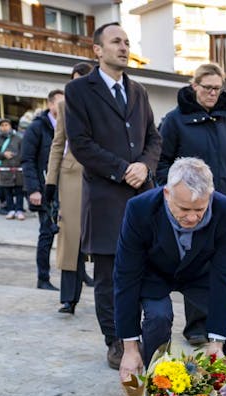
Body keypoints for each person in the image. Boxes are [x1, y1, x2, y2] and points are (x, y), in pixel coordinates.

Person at [66, 22, 162, 369]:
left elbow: (154, 138)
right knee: (109, 277)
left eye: (126, 41)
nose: (123, 47)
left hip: (143, 198)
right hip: (106, 198)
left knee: (145, 270)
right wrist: (124, 169)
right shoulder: (79, 92)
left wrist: (145, 167)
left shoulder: (139, 91)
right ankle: (117, 341)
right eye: (116, 41)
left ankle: (147, 338)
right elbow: (81, 145)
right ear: (97, 50)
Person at [115, 157, 226, 380]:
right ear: (167, 194)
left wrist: (217, 342)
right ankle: (155, 380)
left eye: (200, 209)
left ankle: (216, 377)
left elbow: (224, 275)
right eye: (184, 208)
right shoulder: (140, 209)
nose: (192, 217)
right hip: (155, 272)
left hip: (199, 273)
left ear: (211, 196)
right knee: (158, 317)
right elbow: (125, 276)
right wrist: (129, 348)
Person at [156, 62, 226, 346]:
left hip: (223, 205)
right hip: (188, 208)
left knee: (219, 264)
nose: (212, 93)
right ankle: (195, 326)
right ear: (194, 86)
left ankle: (212, 322)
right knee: (193, 262)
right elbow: (162, 162)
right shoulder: (175, 120)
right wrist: (171, 196)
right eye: (207, 88)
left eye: (218, 89)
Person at [46, 62, 94, 314]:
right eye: (73, 79)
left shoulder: (105, 103)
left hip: (101, 172)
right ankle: (68, 298)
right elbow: (58, 143)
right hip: (71, 174)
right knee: (70, 235)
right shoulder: (65, 107)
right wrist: (50, 182)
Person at [22, 88, 65, 291]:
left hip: (67, 190)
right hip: (45, 190)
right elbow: (28, 160)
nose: (64, 107)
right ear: (50, 104)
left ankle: (79, 276)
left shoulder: (70, 126)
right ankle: (43, 278)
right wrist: (34, 190)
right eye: (59, 103)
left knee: (72, 234)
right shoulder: (38, 128)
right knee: (47, 233)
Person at [0, 118, 24, 219]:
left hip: (18, 169)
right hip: (5, 169)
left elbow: (24, 152)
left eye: (6, 125)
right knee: (7, 191)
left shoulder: (18, 139)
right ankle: (10, 209)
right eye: (2, 125)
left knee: (19, 191)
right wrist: (3, 154)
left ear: (10, 126)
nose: (4, 127)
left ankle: (19, 210)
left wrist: (17, 157)